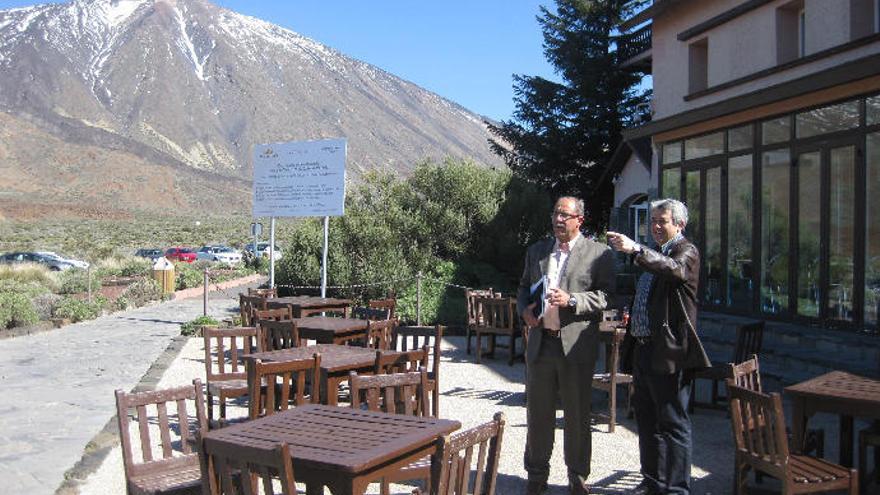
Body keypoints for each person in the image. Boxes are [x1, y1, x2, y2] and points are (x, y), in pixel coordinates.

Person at [606, 198, 710, 495]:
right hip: (644, 350)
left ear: (679, 224)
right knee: (648, 422)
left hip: (669, 353)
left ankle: (676, 489)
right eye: (652, 222)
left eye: (662, 221)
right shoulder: (658, 254)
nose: (655, 227)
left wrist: (636, 248)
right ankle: (652, 483)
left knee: (673, 425)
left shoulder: (685, 251)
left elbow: (674, 270)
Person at [517, 196, 615, 495]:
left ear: (579, 221)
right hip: (541, 345)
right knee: (538, 415)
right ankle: (536, 476)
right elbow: (523, 287)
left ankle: (577, 477)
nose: (559, 220)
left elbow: (608, 296)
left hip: (575, 347)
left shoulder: (600, 254)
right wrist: (524, 310)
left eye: (565, 215)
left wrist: (573, 300)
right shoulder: (537, 251)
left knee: (576, 416)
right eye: (556, 214)